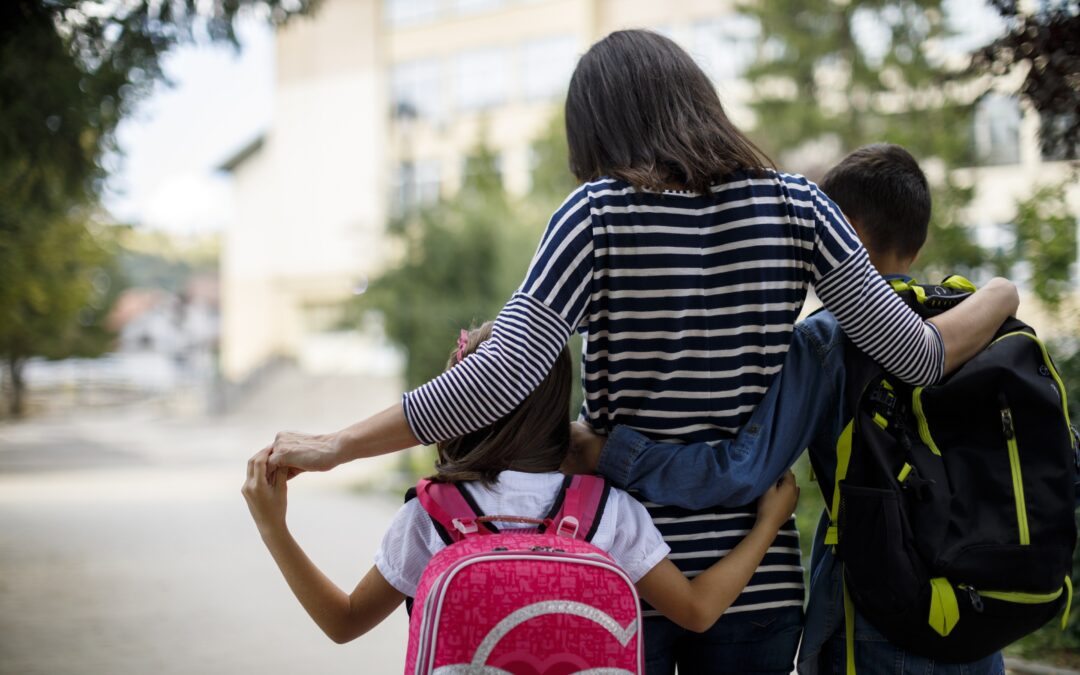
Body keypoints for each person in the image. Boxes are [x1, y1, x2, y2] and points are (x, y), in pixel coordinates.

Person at [262, 31, 1018, 673]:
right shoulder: (799, 206)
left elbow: (499, 377)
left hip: (618, 565)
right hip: (757, 582)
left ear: (597, 129)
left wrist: (338, 443)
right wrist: (1001, 295)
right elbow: (917, 355)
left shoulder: (595, 215)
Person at [570, 144, 1007, 674]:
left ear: (840, 229)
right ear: (915, 246)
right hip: (979, 608)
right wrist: (1003, 292)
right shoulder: (975, 324)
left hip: (878, 606)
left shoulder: (827, 341)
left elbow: (741, 470)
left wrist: (609, 453)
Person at [242, 322, 801, 650]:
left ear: (455, 408)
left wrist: (273, 526)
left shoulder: (431, 515)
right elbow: (698, 611)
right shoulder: (606, 510)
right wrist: (767, 525)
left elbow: (343, 623)